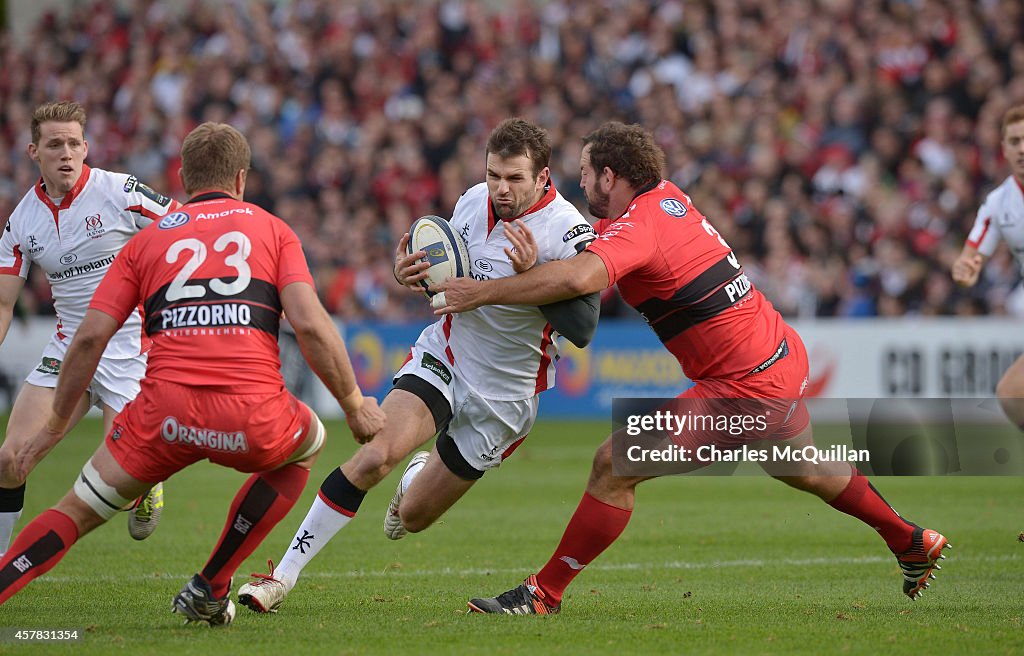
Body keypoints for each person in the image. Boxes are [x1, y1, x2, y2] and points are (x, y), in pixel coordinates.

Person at [434, 122, 950, 614]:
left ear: (610, 177)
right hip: (778, 354)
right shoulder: (667, 199)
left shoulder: (638, 226)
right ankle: (910, 540)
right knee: (805, 468)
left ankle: (543, 594)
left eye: (588, 172)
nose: (581, 181)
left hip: (745, 388)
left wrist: (480, 292)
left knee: (613, 465)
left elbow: (583, 277)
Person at [0, 122, 386, 625]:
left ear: (182, 176)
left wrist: (54, 425)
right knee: (306, 446)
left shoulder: (145, 244)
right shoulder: (271, 229)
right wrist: (355, 406)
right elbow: (311, 326)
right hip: (253, 414)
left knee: (76, 510)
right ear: (242, 179)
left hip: (162, 416)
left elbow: (90, 337)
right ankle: (212, 584)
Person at [236, 118, 599, 614]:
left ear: (542, 177)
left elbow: (583, 327)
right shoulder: (473, 201)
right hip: (445, 357)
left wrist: (534, 273)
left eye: (514, 179)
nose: (501, 188)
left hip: (505, 398)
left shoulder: (566, 228)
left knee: (414, 516)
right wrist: (408, 272)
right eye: (494, 174)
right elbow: (442, 270)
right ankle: (280, 577)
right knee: (374, 456)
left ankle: (417, 477)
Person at [0, 101, 179, 553]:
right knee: (9, 461)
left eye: (74, 144)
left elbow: (187, 226)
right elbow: (3, 301)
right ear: (33, 151)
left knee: (117, 482)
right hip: (69, 351)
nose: (65, 153)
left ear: (86, 148)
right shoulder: (22, 220)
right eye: (54, 144)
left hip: (129, 351)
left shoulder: (119, 191)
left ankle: (146, 485)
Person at [953, 104, 1024, 427]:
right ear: (1004, 149)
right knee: (1011, 396)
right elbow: (971, 256)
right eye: (1014, 141)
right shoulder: (999, 203)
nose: (1022, 148)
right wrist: (964, 271)